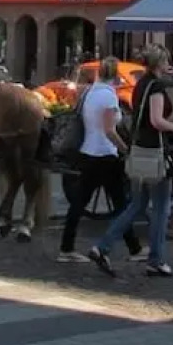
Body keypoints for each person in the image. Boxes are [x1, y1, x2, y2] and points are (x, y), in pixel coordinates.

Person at [88, 44, 173, 278]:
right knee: (161, 208)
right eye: (166, 60)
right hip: (155, 152)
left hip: (139, 149)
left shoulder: (141, 83)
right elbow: (157, 120)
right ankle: (157, 260)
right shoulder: (157, 86)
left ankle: (102, 247)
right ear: (160, 63)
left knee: (137, 205)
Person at [59, 57, 141, 264]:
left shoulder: (89, 92)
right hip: (105, 155)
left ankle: (66, 248)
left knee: (79, 203)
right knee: (121, 204)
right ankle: (134, 249)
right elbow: (109, 130)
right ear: (114, 75)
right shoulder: (108, 96)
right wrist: (125, 149)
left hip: (89, 152)